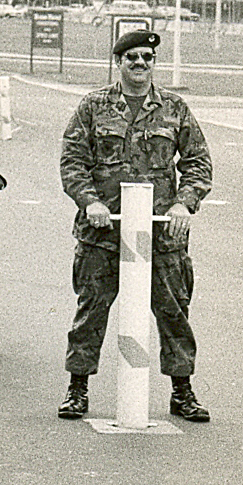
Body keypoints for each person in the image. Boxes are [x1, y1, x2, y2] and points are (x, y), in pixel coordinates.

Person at [57, 29, 213, 422]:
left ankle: (182, 392)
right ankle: (77, 388)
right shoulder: (93, 107)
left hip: (162, 233)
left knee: (174, 312)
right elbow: (72, 161)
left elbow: (198, 163)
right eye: (132, 58)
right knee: (91, 311)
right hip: (103, 232)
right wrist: (90, 201)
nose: (140, 64)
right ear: (119, 62)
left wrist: (183, 204)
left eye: (147, 58)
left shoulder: (174, 108)